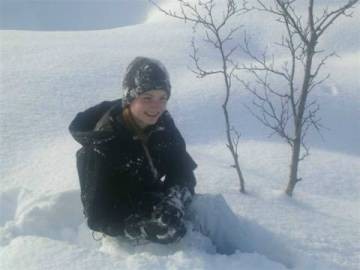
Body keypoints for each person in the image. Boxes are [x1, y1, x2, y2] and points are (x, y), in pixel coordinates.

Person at [69, 56, 197, 244]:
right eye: (147, 98)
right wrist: (140, 228)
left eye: (163, 98)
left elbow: (181, 170)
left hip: (157, 206)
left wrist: (174, 202)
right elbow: (97, 216)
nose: (157, 106)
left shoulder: (163, 123)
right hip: (122, 231)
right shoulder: (101, 143)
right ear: (130, 98)